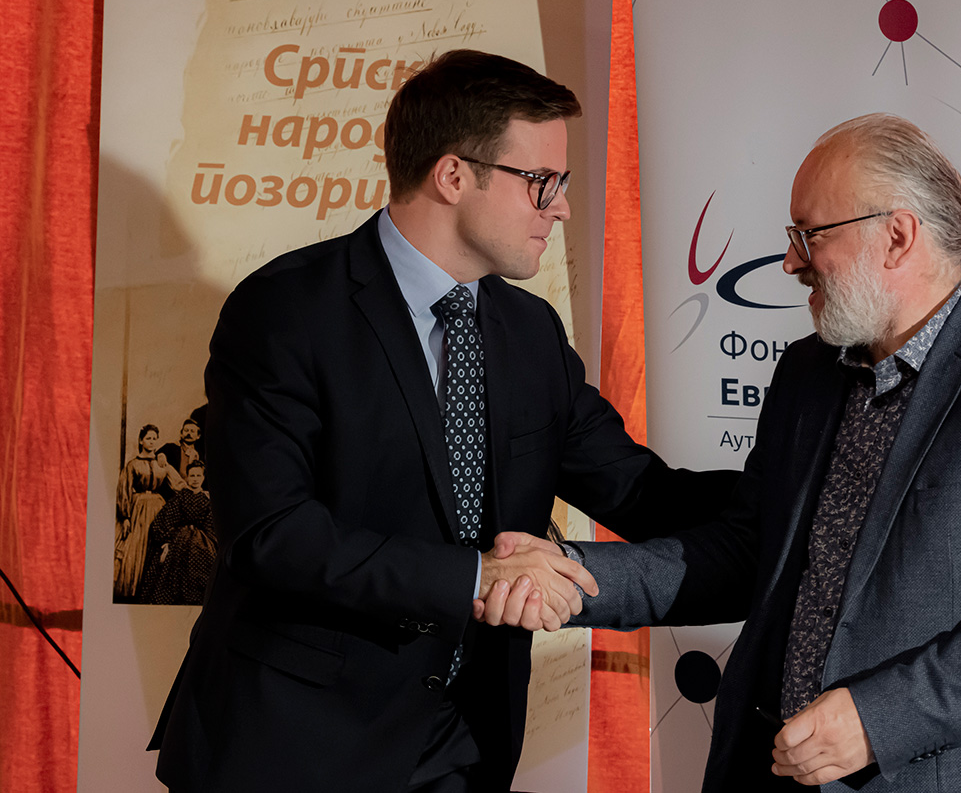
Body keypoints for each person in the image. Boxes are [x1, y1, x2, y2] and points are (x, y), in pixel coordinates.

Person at [487, 114, 961, 792]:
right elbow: (747, 551)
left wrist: (881, 719)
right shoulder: (807, 370)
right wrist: (572, 576)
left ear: (897, 236)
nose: (791, 262)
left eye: (809, 234)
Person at [148, 49, 735, 792]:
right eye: (542, 182)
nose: (560, 207)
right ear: (454, 176)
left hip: (466, 744)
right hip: (295, 746)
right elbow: (272, 535)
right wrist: (476, 576)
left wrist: (814, 493)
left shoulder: (532, 332)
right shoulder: (284, 311)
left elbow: (644, 493)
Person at [115, 424, 188, 601]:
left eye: (155, 439)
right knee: (135, 546)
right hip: (138, 508)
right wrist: (125, 517)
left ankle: (151, 590)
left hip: (158, 507)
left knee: (156, 546)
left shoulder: (161, 463)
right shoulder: (133, 465)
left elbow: (179, 484)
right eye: (148, 438)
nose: (152, 442)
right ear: (141, 441)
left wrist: (198, 491)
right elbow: (124, 490)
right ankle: (132, 590)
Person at [136, 460, 217, 606]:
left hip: (202, 541)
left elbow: (211, 525)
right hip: (178, 539)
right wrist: (167, 541)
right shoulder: (180, 498)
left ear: (204, 478)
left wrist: (207, 540)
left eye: (198, 475)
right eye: (192, 475)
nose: (195, 479)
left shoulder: (208, 500)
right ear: (187, 477)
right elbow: (165, 520)